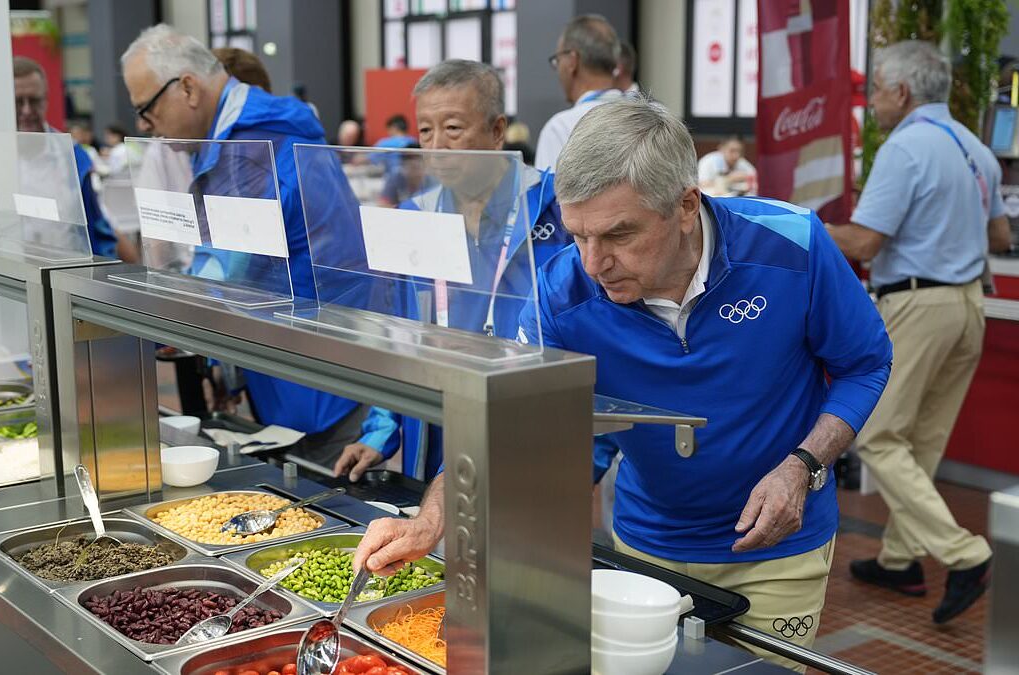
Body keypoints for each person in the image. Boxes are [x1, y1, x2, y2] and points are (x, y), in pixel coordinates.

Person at [357, 98, 893, 671]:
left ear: (686, 205)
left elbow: (865, 364)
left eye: (618, 235)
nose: (593, 262)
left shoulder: (794, 245)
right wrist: (432, 521)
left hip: (780, 549)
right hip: (645, 548)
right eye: (578, 236)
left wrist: (804, 466)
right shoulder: (560, 293)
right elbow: (502, 420)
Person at [121, 24, 365, 470]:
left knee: (326, 495)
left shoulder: (251, 146)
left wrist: (162, 317)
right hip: (297, 353)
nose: (143, 125)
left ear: (188, 88)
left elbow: (229, 267)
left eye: (146, 109)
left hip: (318, 365)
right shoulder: (237, 138)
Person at [826, 40, 1009, 625]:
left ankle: (967, 555)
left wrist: (798, 222)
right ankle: (901, 559)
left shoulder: (905, 147)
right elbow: (1001, 238)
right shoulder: (979, 149)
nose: (872, 99)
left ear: (902, 92)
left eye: (876, 88)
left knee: (876, 434)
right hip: (968, 306)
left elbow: (862, 243)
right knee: (922, 440)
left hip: (918, 304)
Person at [335, 59, 571, 487]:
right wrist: (381, 430)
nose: (437, 146)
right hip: (439, 419)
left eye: (454, 129)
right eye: (426, 130)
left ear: (497, 131)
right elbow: (399, 334)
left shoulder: (555, 206)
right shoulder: (416, 215)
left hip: (533, 417)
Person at [13, 57, 133, 262]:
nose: (26, 111)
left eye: (33, 101)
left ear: (46, 100)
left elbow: (99, 225)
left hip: (66, 274)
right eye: (18, 101)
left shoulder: (72, 157)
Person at [534, 15, 625, 171]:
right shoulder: (653, 117)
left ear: (572, 61)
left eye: (558, 60)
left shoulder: (560, 129)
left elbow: (547, 195)